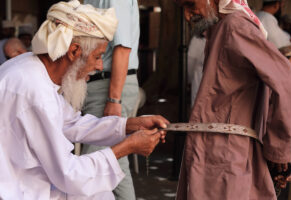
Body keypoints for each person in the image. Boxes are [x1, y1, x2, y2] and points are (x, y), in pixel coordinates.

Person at [0, 1, 169, 199]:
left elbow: (72, 123)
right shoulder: (34, 90)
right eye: (97, 57)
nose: (99, 66)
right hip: (17, 189)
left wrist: (130, 125)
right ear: (73, 51)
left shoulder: (33, 70)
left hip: (27, 182)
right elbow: (68, 173)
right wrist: (127, 147)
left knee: (100, 193)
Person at [174, 0, 291, 199]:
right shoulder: (220, 30)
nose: (188, 15)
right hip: (219, 152)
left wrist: (280, 149)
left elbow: (285, 80)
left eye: (190, 5)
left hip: (226, 156)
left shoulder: (235, 27)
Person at [81, 1, 140, 199]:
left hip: (109, 85)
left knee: (93, 164)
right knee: (113, 163)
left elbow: (122, 47)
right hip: (102, 84)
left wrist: (114, 99)